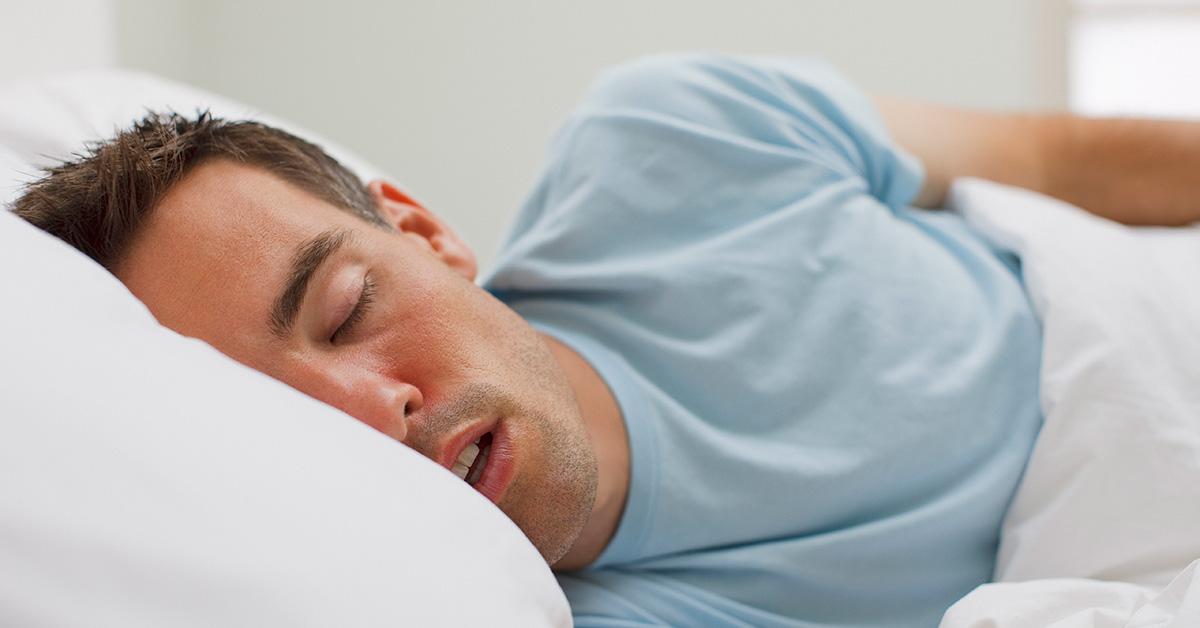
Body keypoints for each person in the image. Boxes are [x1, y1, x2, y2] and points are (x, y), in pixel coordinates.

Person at [10, 54, 1200, 627]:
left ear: (424, 232)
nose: (374, 413)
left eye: (344, 311)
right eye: (285, 419)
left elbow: (1065, 163)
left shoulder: (679, 142)